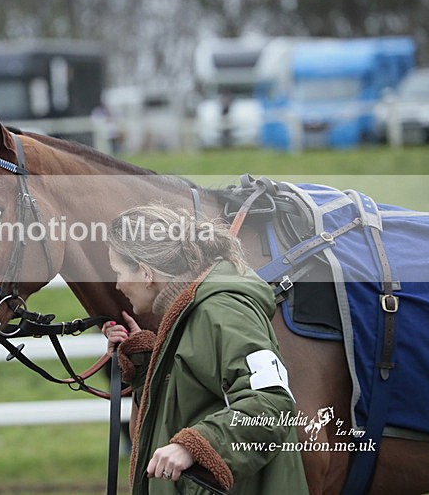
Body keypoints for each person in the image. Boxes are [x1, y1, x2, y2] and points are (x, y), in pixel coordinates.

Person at [103, 204, 308, 494]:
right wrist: (146, 361)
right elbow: (198, 391)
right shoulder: (191, 310)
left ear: (146, 272)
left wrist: (196, 447)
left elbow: (271, 404)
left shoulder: (221, 310)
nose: (118, 285)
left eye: (119, 271)